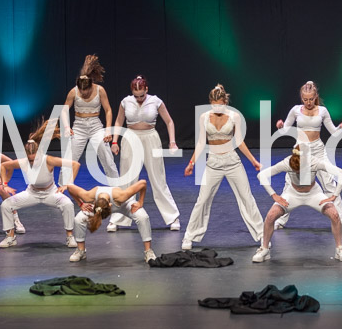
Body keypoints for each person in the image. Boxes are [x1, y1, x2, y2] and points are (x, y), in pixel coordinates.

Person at [181, 85, 264, 250]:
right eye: (213, 105)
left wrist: (253, 161)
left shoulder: (234, 116)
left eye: (219, 104)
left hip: (232, 162)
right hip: (213, 163)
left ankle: (262, 235)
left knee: (247, 198)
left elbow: (239, 141)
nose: (216, 108)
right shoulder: (204, 117)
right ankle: (189, 236)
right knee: (202, 200)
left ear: (225, 102)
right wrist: (191, 163)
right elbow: (201, 142)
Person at [274, 81, 342, 229]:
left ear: (315, 97)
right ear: (301, 98)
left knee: (329, 183)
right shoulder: (296, 110)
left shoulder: (322, 111)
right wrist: (280, 126)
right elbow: (285, 130)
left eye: (311, 99)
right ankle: (280, 219)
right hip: (300, 150)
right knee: (289, 184)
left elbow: (333, 131)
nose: (308, 102)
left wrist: (341, 128)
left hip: (318, 150)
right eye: (305, 99)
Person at [255, 143, 342, 263]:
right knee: (270, 216)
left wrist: (334, 195)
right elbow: (261, 175)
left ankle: (339, 249)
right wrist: (274, 195)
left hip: (313, 194)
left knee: (335, 215)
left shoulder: (314, 162)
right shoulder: (287, 162)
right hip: (292, 194)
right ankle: (264, 249)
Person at [111, 76, 181, 231]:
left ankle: (172, 217)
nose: (139, 99)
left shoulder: (155, 101)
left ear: (146, 89)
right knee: (127, 179)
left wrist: (172, 142)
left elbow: (169, 121)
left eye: (141, 95)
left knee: (158, 179)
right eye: (136, 96)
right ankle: (117, 218)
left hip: (150, 138)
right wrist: (115, 141)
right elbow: (118, 121)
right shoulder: (126, 101)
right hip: (130, 138)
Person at [0, 119, 77, 249]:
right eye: (30, 160)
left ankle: (70, 237)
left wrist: (68, 184)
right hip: (32, 193)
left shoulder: (49, 160)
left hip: (51, 193)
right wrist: (5, 184)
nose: (33, 162)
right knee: (6, 205)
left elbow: (75, 164)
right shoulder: (24, 162)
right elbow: (4, 166)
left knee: (68, 204)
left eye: (35, 159)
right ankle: (10, 237)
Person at [57, 180, 152, 262]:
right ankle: (81, 251)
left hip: (124, 204)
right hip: (100, 206)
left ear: (110, 205)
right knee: (79, 219)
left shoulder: (122, 196)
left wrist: (140, 202)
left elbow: (143, 183)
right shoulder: (88, 196)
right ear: (94, 203)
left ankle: (148, 251)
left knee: (142, 217)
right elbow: (70, 187)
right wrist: (81, 204)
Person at [60, 54, 119, 183]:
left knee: (107, 157)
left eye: (86, 91)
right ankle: (61, 187)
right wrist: (66, 127)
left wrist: (108, 130)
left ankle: (117, 187)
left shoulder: (100, 90)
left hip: (95, 125)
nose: (84, 93)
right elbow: (64, 110)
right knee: (70, 157)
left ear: (91, 85)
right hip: (79, 126)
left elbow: (108, 110)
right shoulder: (73, 92)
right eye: (81, 91)